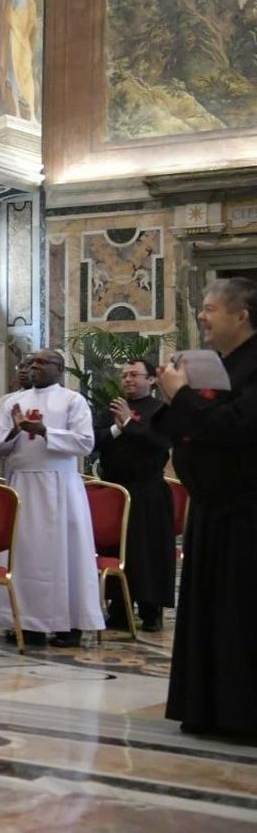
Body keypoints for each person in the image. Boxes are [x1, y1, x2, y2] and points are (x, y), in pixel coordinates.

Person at [153, 277, 257, 737]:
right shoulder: (217, 364)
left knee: (240, 614)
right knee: (209, 614)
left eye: (211, 308)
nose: (201, 315)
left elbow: (236, 426)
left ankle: (241, 714)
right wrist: (175, 395)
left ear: (242, 315)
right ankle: (208, 707)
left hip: (247, 512)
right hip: (211, 509)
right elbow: (181, 427)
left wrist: (183, 396)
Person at [0, 348, 102, 648]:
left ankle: (70, 625)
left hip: (60, 486)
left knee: (66, 555)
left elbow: (85, 442)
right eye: (30, 363)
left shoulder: (72, 401)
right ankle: (27, 623)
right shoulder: (12, 402)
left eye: (42, 363)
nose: (34, 367)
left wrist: (44, 430)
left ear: (59, 369)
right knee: (24, 557)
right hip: (21, 486)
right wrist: (14, 431)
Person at [92, 359, 174, 633]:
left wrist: (128, 422)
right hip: (115, 489)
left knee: (147, 550)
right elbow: (94, 440)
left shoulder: (161, 410)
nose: (127, 379)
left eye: (135, 375)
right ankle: (118, 609)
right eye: (124, 375)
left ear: (151, 380)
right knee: (117, 548)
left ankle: (151, 610)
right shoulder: (111, 408)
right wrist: (116, 427)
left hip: (148, 490)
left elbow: (160, 443)